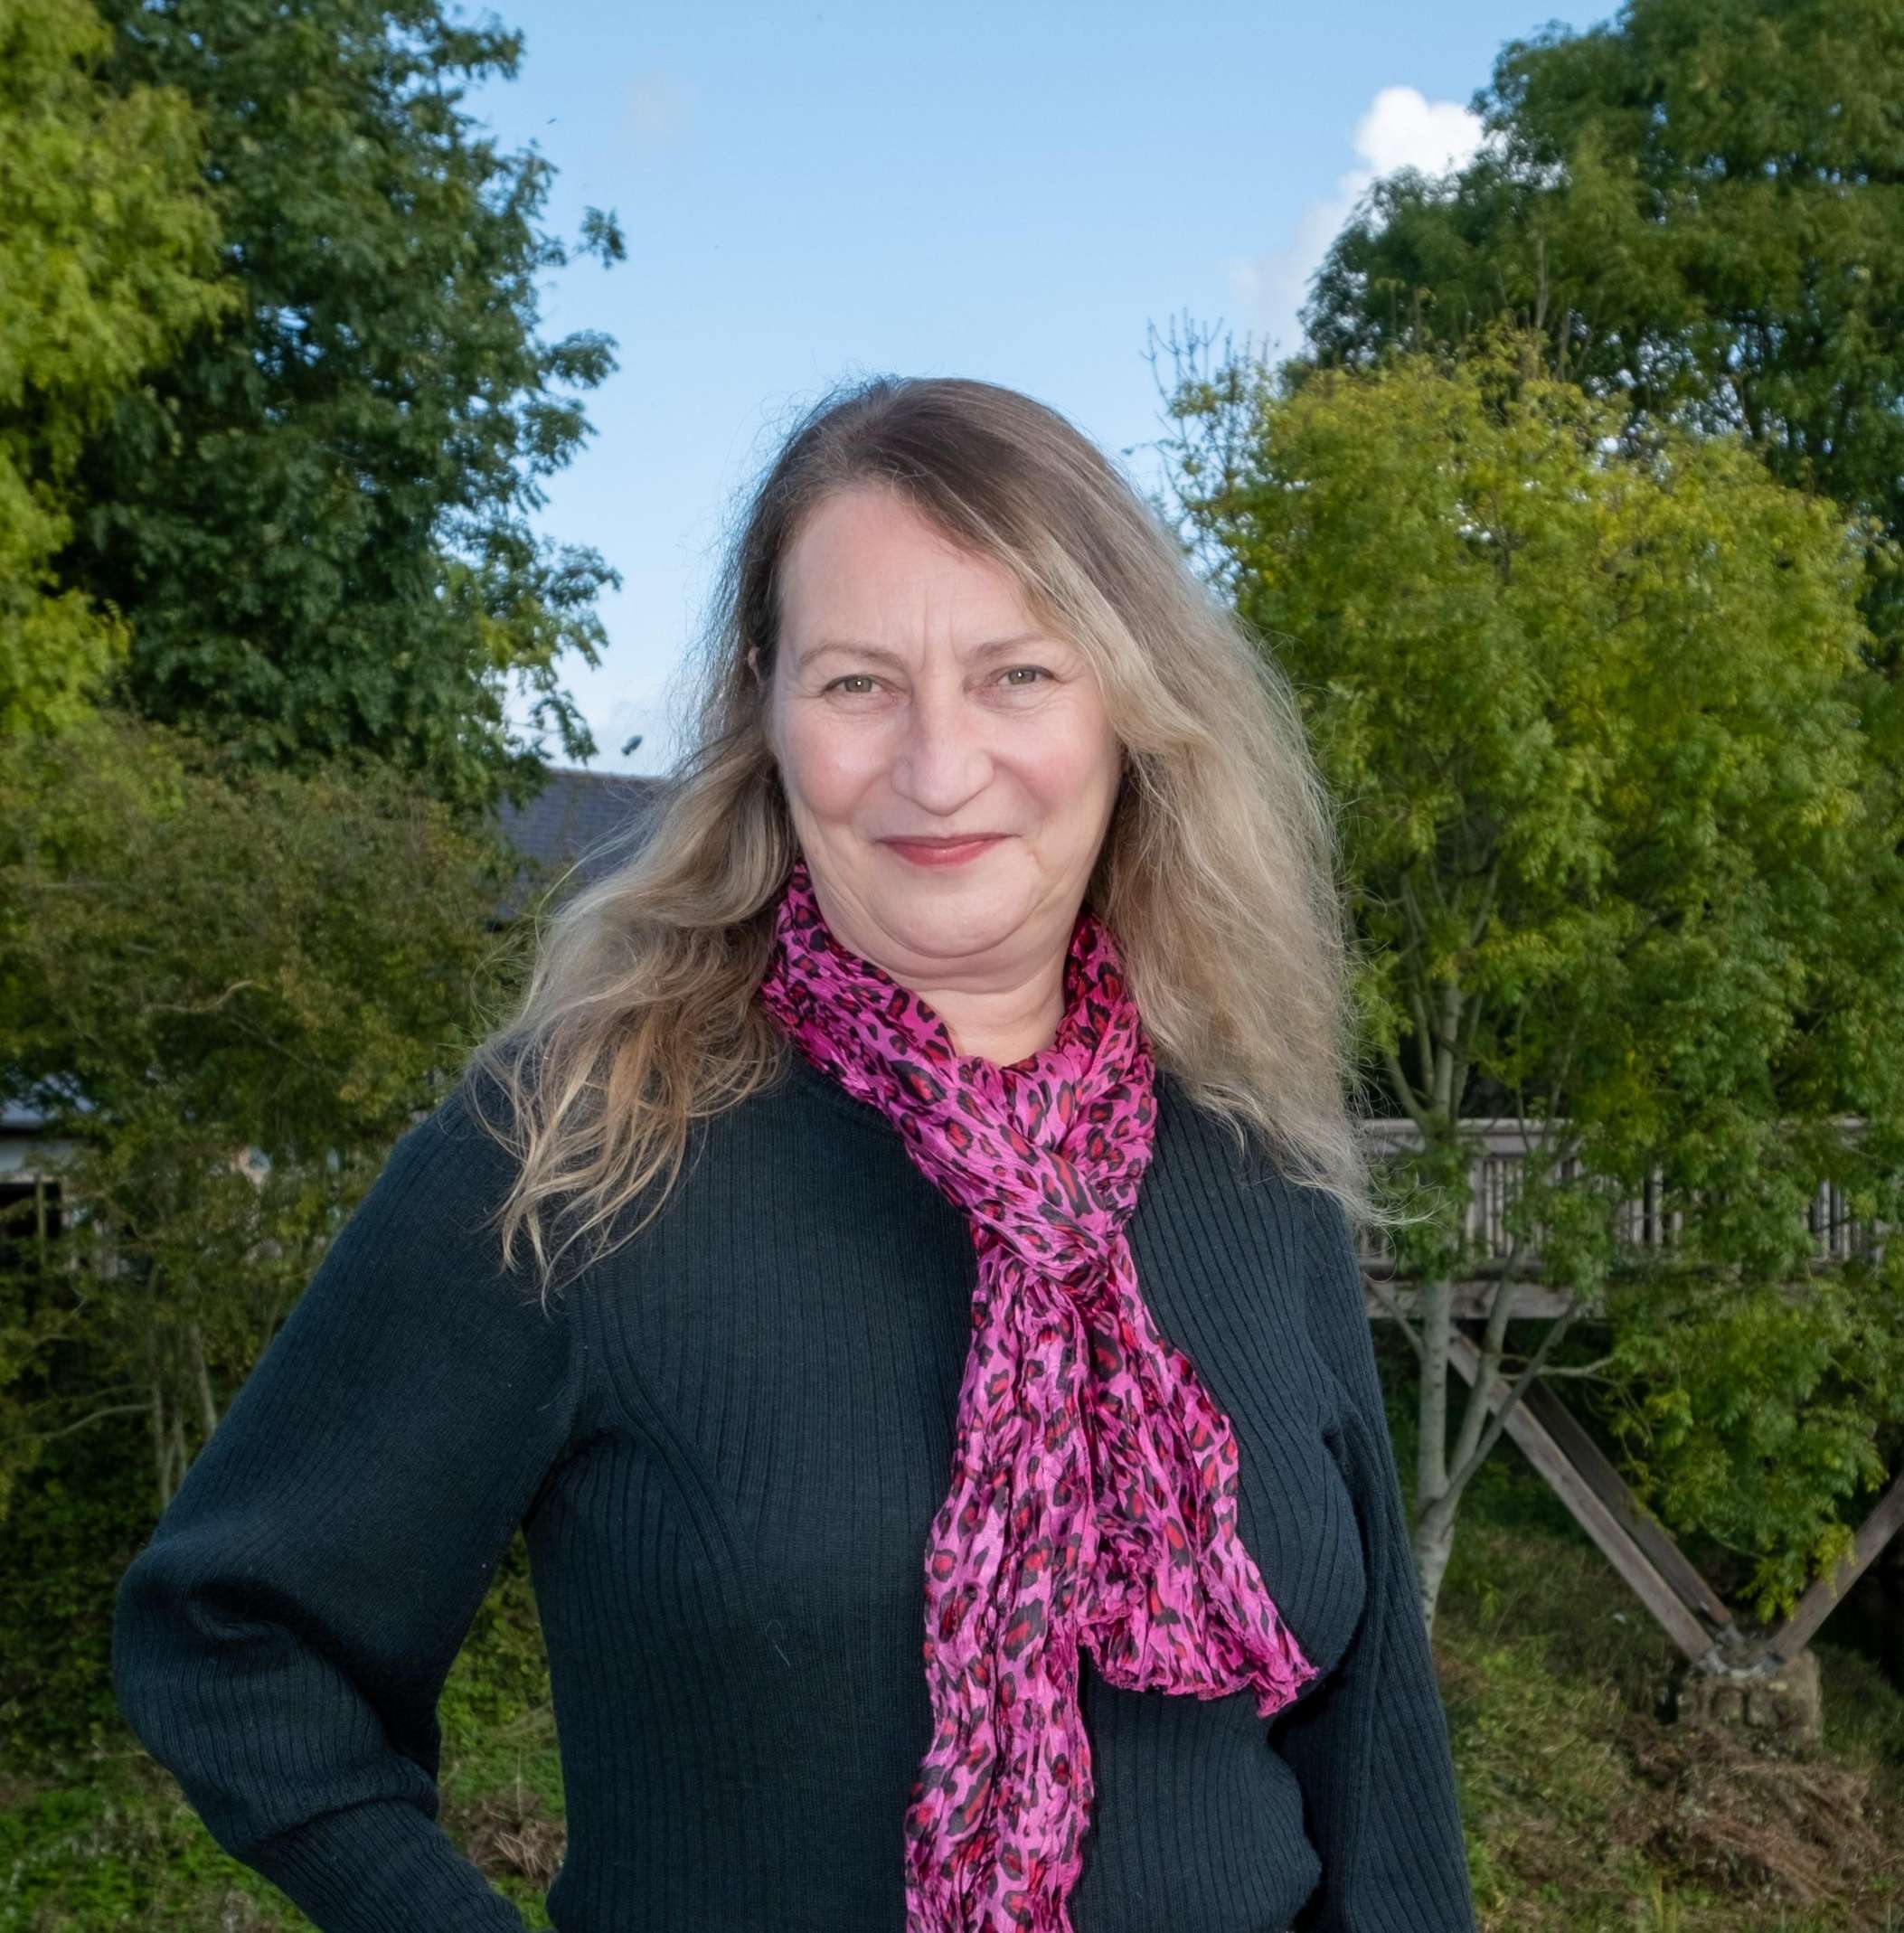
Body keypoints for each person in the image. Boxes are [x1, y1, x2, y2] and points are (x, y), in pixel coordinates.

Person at [110, 375, 1478, 1932]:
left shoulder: (1251, 1170)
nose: (939, 766)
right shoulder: (582, 1151)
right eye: (856, 684)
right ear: (764, 710)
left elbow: (1371, 1753)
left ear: (1128, 703)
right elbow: (233, 1632)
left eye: (1017, 673)